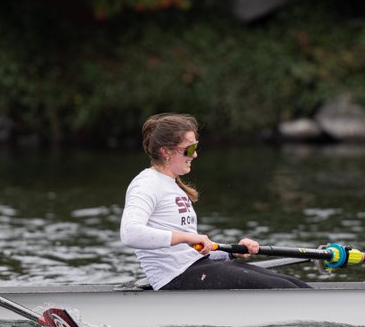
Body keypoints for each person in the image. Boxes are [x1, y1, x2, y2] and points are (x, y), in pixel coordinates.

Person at [119, 113, 311, 290]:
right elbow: (130, 233)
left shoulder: (173, 185)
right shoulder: (146, 183)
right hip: (175, 278)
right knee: (283, 288)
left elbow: (191, 251)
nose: (195, 154)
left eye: (196, 147)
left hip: (196, 268)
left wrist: (231, 252)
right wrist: (188, 237)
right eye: (189, 149)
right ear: (166, 151)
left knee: (295, 284)